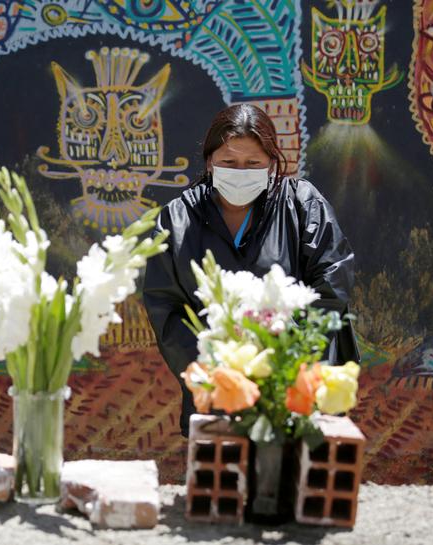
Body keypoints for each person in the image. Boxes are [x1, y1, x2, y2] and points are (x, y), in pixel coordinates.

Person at [143, 103, 360, 437]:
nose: (240, 171)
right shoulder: (177, 220)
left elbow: (333, 279)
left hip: (294, 383)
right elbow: (166, 307)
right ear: (210, 161)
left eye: (253, 163)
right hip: (220, 390)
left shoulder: (302, 205)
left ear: (271, 163)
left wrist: (285, 359)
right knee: (222, 481)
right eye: (229, 162)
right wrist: (215, 370)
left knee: (293, 478)